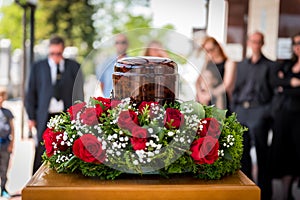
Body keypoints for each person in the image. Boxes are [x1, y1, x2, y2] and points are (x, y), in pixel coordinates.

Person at [25, 35, 84, 175]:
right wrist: (31, 117)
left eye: (59, 54)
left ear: (63, 52)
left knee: (66, 147)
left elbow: (79, 93)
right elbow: (30, 93)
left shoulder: (74, 67)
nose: (55, 57)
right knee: (41, 149)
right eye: (52, 53)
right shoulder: (38, 67)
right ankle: (36, 181)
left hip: (65, 115)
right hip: (44, 116)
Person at [231, 31, 276, 200]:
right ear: (249, 43)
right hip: (242, 110)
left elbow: (273, 93)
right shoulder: (241, 65)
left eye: (258, 41)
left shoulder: (270, 66)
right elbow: (236, 89)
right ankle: (247, 191)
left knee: (262, 153)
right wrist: (235, 109)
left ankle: (265, 193)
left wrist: (267, 112)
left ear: (262, 43)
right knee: (243, 155)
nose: (255, 44)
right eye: (253, 41)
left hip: (260, 111)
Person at [270, 32, 300, 200]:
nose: (297, 46)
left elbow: (282, 86)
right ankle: (286, 193)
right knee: (283, 153)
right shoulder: (288, 65)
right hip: (283, 114)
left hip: (298, 116)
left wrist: (285, 86)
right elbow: (275, 81)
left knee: (297, 152)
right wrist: (292, 83)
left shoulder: (287, 69)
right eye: (295, 43)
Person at [196, 36, 237, 113]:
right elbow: (198, 80)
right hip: (206, 101)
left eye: (211, 50)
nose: (209, 53)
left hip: (220, 100)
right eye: (206, 51)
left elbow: (226, 85)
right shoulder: (207, 63)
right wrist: (200, 94)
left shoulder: (228, 62)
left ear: (217, 47)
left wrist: (210, 95)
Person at [97, 33, 129, 98]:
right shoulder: (106, 63)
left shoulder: (134, 63)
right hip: (110, 102)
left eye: (123, 42)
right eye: (117, 42)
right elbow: (102, 83)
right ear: (114, 45)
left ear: (127, 44)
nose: (120, 45)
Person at [0, 87, 14, 198]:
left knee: (4, 167)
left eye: (2, 95)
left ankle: (3, 188)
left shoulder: (7, 112)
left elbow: (13, 128)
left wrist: (12, 144)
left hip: (5, 144)